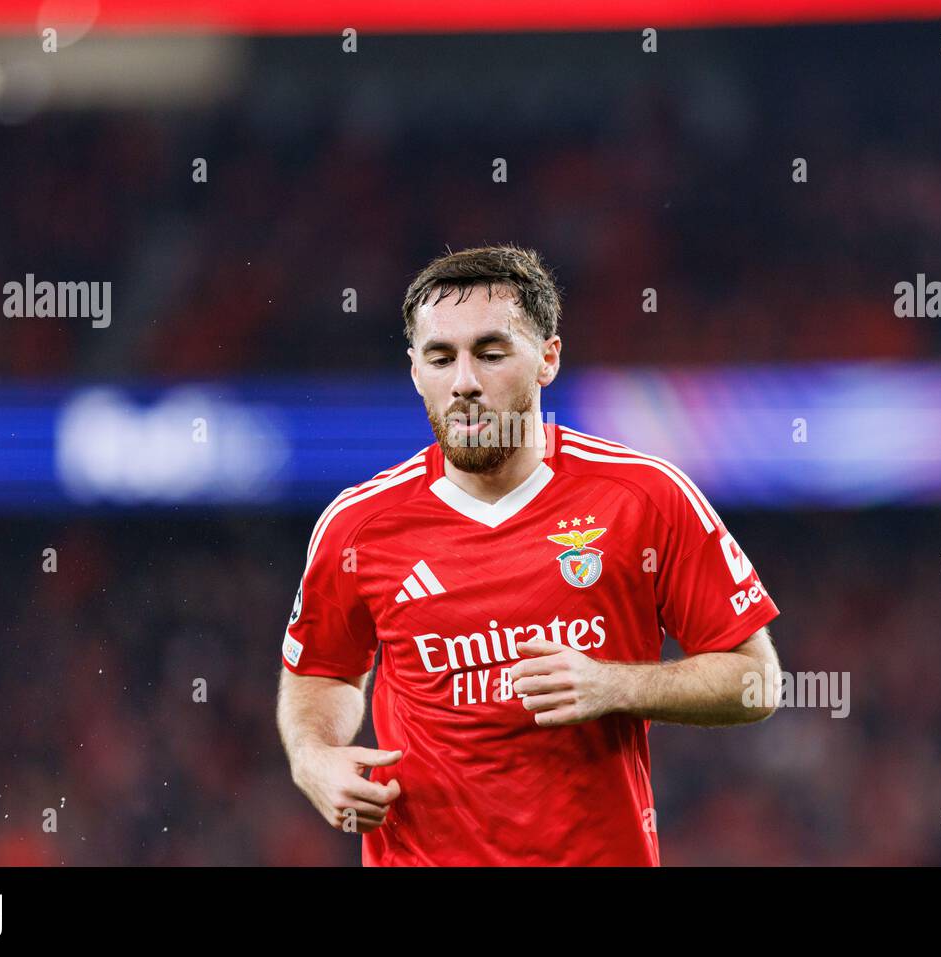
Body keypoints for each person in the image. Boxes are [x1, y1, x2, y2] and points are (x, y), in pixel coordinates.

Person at [277, 244, 781, 865]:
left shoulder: (644, 497)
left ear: (547, 358)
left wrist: (613, 685)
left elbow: (756, 681)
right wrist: (314, 758)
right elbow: (323, 670)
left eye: (490, 354)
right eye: (441, 358)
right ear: (415, 371)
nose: (464, 382)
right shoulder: (359, 526)